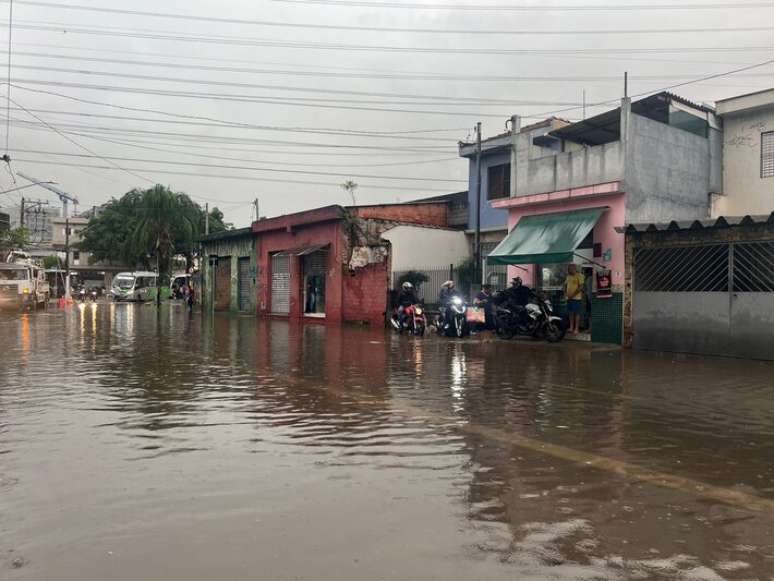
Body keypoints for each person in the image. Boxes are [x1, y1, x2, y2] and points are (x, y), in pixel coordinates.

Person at [564, 263, 585, 335]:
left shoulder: (580, 276)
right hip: (569, 298)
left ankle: (576, 329)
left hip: (576, 298)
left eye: (570, 269)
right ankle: (571, 327)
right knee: (570, 313)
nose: (568, 270)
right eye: (568, 269)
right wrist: (565, 294)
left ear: (574, 268)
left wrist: (572, 295)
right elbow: (565, 285)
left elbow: (581, 287)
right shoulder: (568, 276)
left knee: (577, 313)